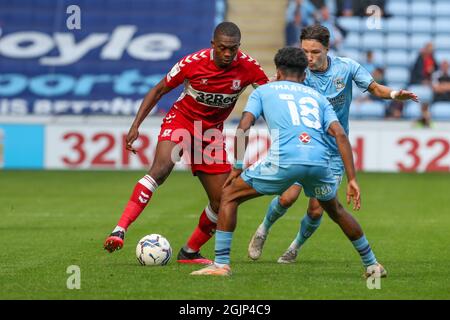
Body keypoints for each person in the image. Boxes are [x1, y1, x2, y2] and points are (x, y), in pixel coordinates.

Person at [191, 47, 384, 277]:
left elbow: (244, 127)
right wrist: (352, 179)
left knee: (228, 195)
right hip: (319, 161)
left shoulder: (263, 91)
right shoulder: (319, 98)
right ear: (304, 76)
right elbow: (340, 135)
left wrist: (238, 165)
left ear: (278, 72)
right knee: (336, 210)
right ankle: (372, 265)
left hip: (284, 160)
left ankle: (221, 264)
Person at [248, 25, 418, 265]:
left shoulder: (346, 68)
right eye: (305, 50)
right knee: (287, 198)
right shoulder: (298, 72)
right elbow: (271, 90)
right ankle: (263, 230)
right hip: (304, 145)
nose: (309, 57)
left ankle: (294, 247)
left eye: (315, 52)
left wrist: (394, 95)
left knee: (317, 209)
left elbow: (376, 88)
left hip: (334, 151)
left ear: (327, 49)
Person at [103, 22, 269, 264]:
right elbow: (159, 90)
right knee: (160, 170)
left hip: (210, 134)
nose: (227, 53)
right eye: (222, 48)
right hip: (182, 121)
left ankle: (189, 252)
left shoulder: (249, 67)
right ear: (213, 44)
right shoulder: (192, 62)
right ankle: (119, 230)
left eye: (232, 49)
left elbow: (270, 96)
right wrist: (135, 125)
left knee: (222, 200)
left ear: (238, 47)